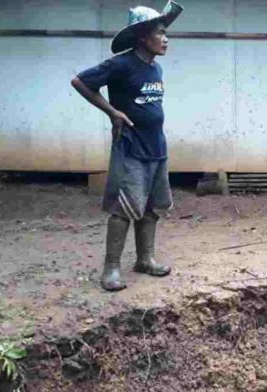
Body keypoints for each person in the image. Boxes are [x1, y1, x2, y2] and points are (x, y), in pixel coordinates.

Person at [70, 1, 183, 291]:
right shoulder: (121, 64)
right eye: (160, 33)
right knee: (123, 209)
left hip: (157, 148)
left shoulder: (155, 69)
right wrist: (112, 112)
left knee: (152, 207)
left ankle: (145, 258)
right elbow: (80, 81)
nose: (166, 38)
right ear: (143, 37)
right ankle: (111, 269)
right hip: (131, 148)